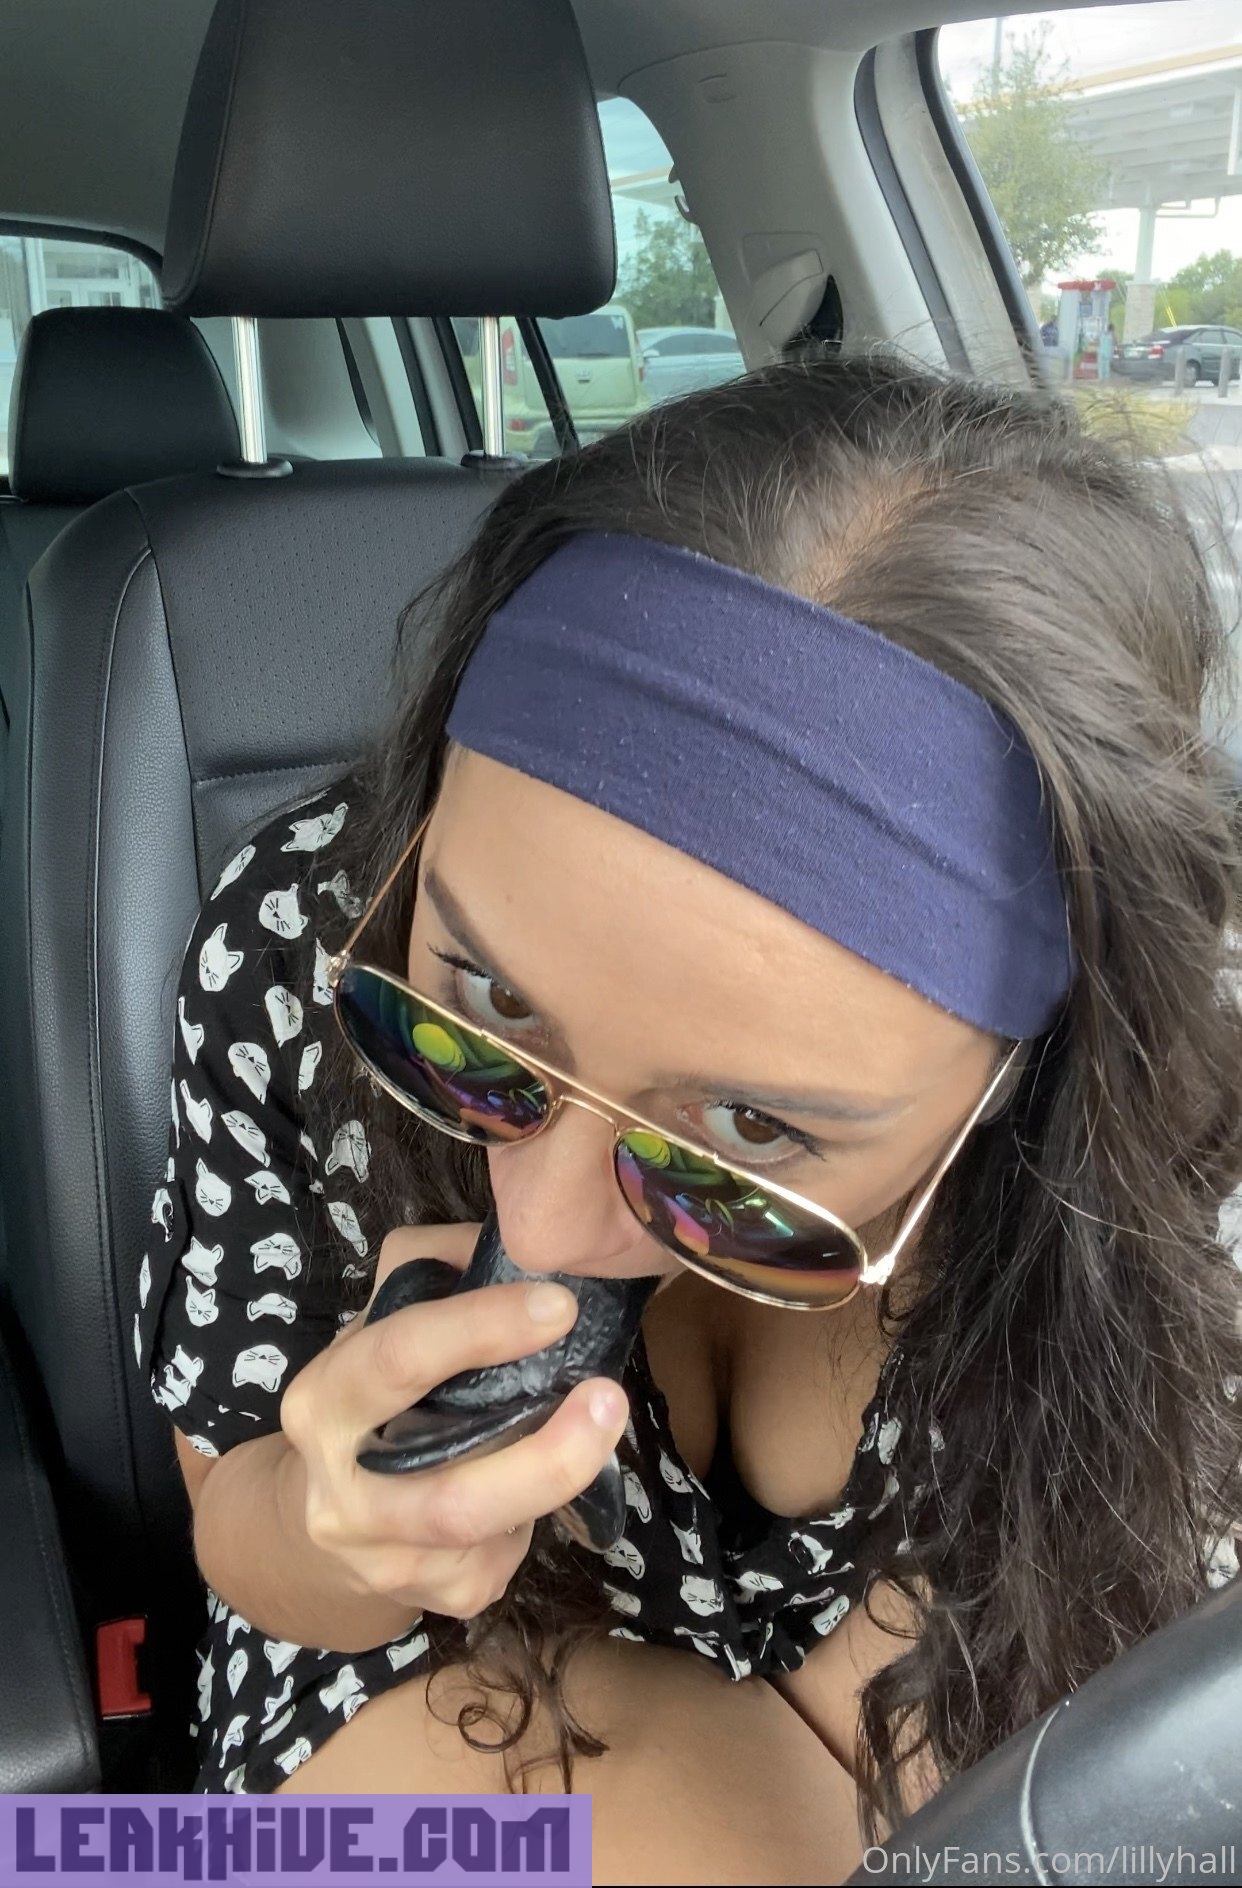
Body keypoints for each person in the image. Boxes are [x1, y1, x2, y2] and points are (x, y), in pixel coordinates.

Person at [135, 354, 1242, 1880]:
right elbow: (241, 1525)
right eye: (482, 1003)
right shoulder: (303, 952)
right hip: (389, 1659)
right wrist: (342, 1529)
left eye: (753, 1133)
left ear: (1029, 1081)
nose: (539, 1225)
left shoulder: (1143, 1180)